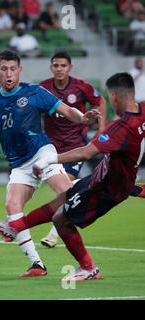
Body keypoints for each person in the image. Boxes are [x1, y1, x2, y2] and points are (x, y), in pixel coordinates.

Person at [0, 49, 101, 277]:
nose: (8, 74)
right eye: (3, 69)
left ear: (20, 70)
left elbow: (66, 110)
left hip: (42, 153)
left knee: (68, 195)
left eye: (12, 69)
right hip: (19, 165)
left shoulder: (34, 92)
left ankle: (87, 264)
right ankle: (37, 264)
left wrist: (82, 117)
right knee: (12, 207)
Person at [0, 72, 145, 281]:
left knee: (61, 219)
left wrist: (48, 160)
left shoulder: (122, 127)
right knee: (64, 197)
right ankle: (14, 228)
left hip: (107, 187)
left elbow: (87, 151)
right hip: (106, 177)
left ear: (115, 96)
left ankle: (88, 268)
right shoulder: (143, 110)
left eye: (109, 97)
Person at [39, 51, 107, 248]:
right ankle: (82, 187)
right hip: (50, 147)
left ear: (70, 67)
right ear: (51, 67)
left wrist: (101, 130)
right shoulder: (44, 88)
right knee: (65, 189)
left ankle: (53, 233)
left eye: (63, 66)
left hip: (75, 146)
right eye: (56, 65)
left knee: (65, 186)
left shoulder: (80, 87)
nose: (59, 69)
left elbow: (100, 101)